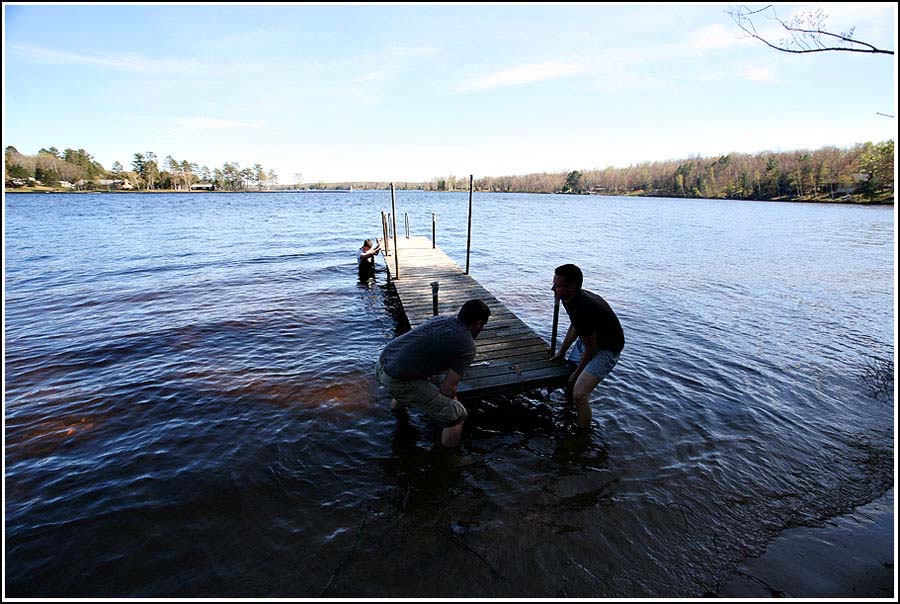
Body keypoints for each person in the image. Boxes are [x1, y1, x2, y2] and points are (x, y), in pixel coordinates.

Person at [375, 299, 491, 447]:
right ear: (478, 323)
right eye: (483, 325)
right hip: (397, 380)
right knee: (457, 414)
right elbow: (448, 389)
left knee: (410, 384)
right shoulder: (467, 345)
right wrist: (451, 403)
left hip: (382, 364)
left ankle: (397, 416)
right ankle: (449, 456)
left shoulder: (441, 319)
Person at [550, 263, 624, 430]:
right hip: (590, 339)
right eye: (554, 284)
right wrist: (562, 351)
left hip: (607, 348)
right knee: (570, 379)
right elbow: (576, 326)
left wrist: (577, 373)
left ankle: (583, 435)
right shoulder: (569, 298)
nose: (553, 289)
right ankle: (567, 409)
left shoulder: (584, 307)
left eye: (558, 286)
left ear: (572, 287)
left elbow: (591, 349)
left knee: (579, 393)